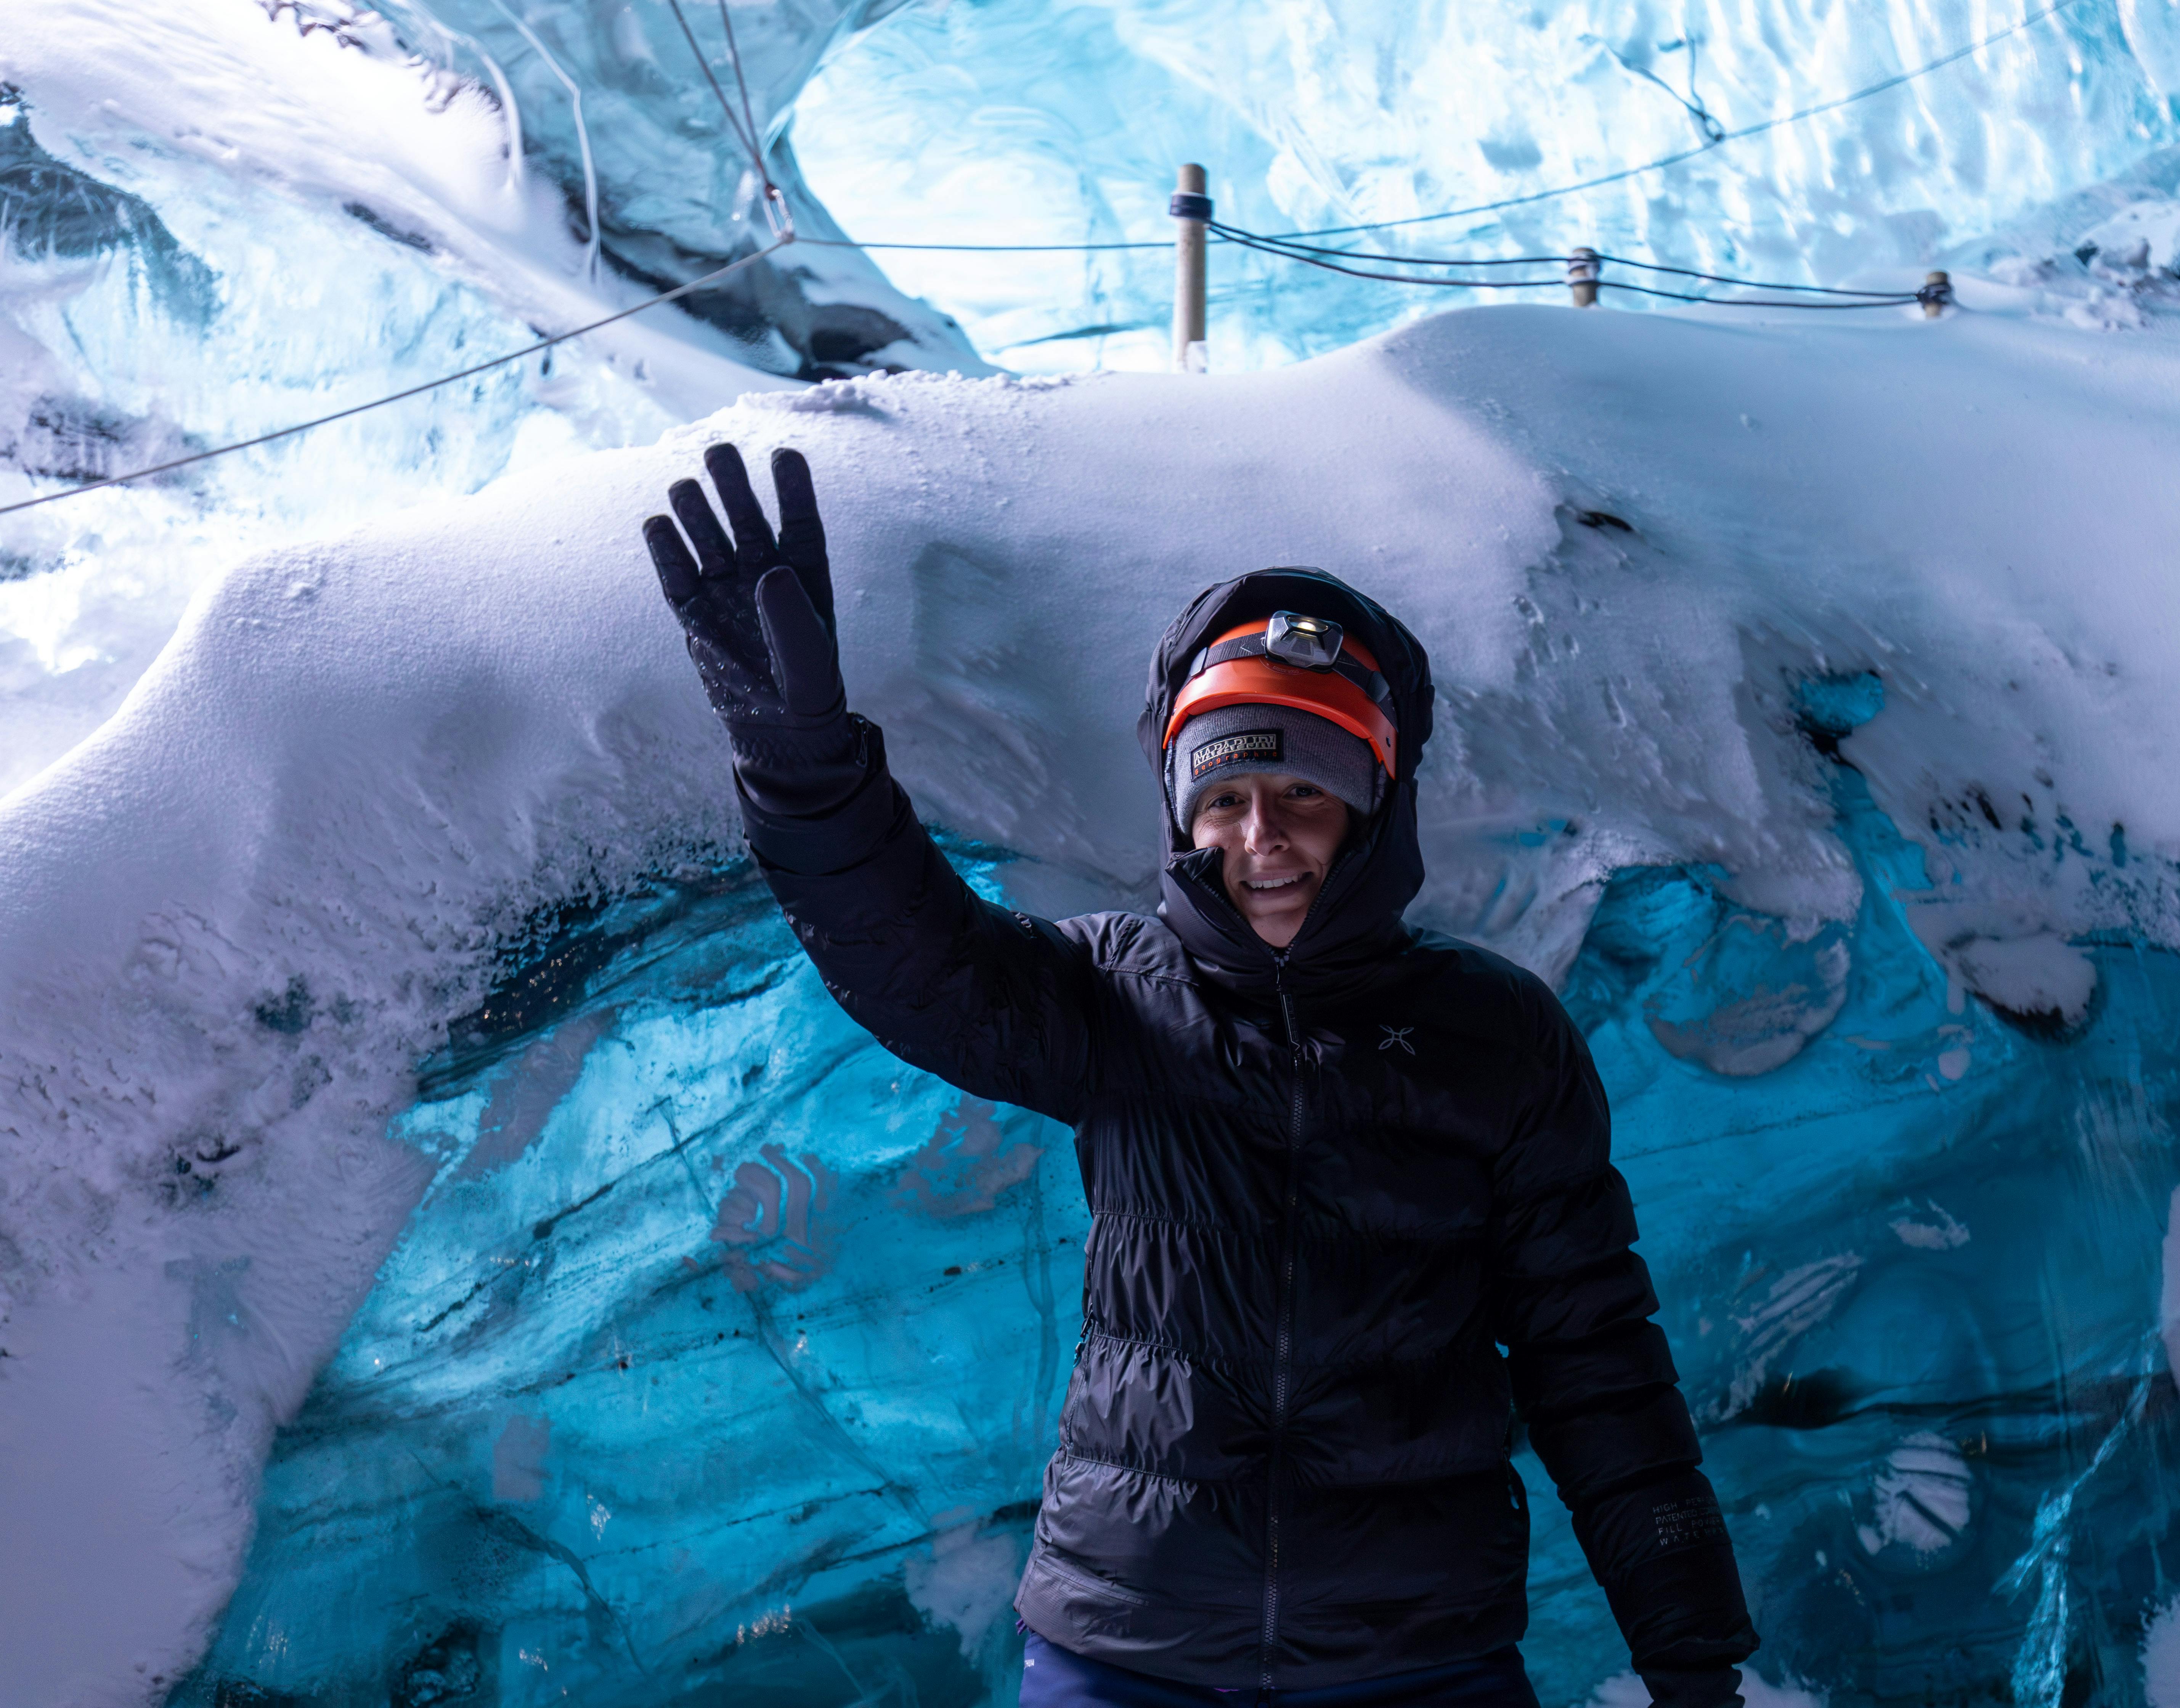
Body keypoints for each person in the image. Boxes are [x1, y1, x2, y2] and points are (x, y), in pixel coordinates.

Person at [642, 443, 1760, 1707]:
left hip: (1413, 1659)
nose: (1260, 839)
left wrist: (1691, 1652)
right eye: (1225, 797)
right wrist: (807, 772)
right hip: (1129, 1649)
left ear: (1375, 809)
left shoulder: (1496, 1038)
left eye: (1304, 796)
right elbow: (913, 960)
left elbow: (1594, 1359)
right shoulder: (1116, 994)